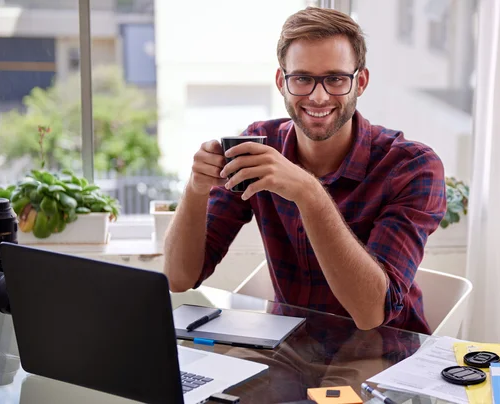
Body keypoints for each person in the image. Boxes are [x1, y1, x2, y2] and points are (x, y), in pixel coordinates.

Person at [164, 7, 446, 333]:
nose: (318, 96)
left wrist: (308, 192)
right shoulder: (262, 146)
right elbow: (178, 278)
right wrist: (197, 188)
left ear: (361, 82)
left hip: (384, 358)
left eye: (336, 78)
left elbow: (371, 313)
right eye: (302, 78)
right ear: (281, 82)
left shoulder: (411, 167)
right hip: (288, 351)